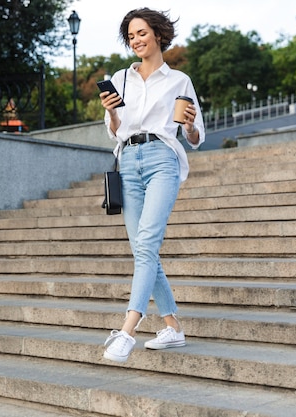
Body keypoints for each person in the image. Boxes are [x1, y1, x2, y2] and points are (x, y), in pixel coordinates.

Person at [99, 7, 205, 363]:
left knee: (146, 243)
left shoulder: (179, 81)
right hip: (128, 160)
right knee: (143, 249)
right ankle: (173, 326)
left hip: (162, 158)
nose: (136, 40)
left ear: (158, 34)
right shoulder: (120, 78)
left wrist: (189, 125)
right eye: (130, 36)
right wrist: (113, 112)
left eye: (142, 33)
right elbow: (114, 130)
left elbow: (195, 136)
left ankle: (127, 331)